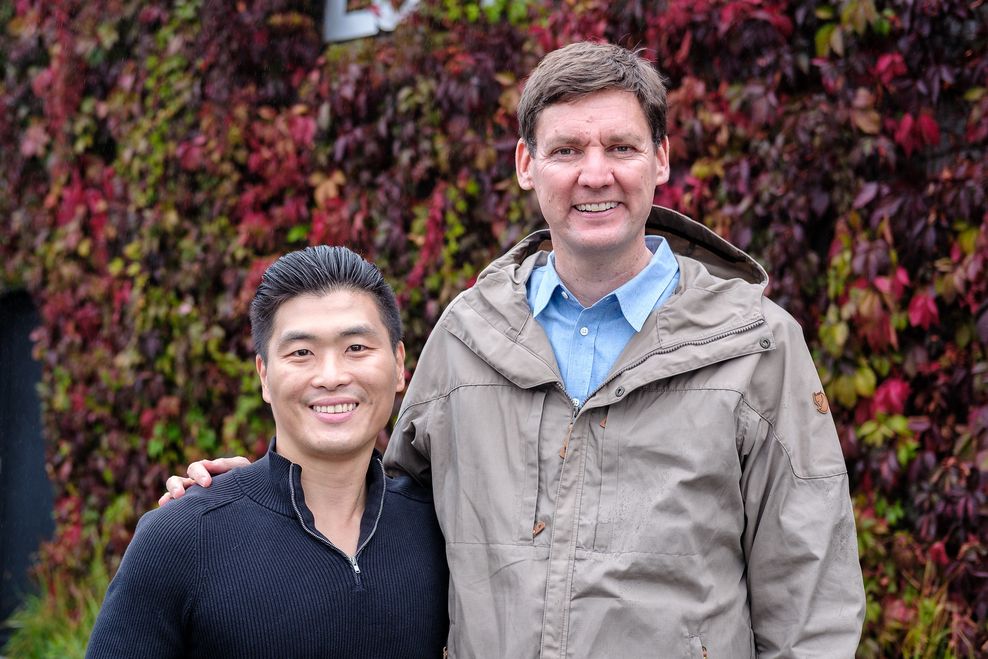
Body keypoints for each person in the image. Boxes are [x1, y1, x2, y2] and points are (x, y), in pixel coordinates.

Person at [164, 42, 865, 657]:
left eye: (621, 147)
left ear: (661, 158)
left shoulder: (754, 343)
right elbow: (387, 520)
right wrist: (266, 498)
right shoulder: (469, 335)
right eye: (567, 150)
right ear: (528, 164)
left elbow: (812, 597)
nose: (595, 174)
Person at [90, 246, 448, 658]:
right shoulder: (185, 536)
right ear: (264, 376)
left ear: (399, 365)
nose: (331, 376)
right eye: (301, 353)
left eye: (356, 348)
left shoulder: (442, 526)